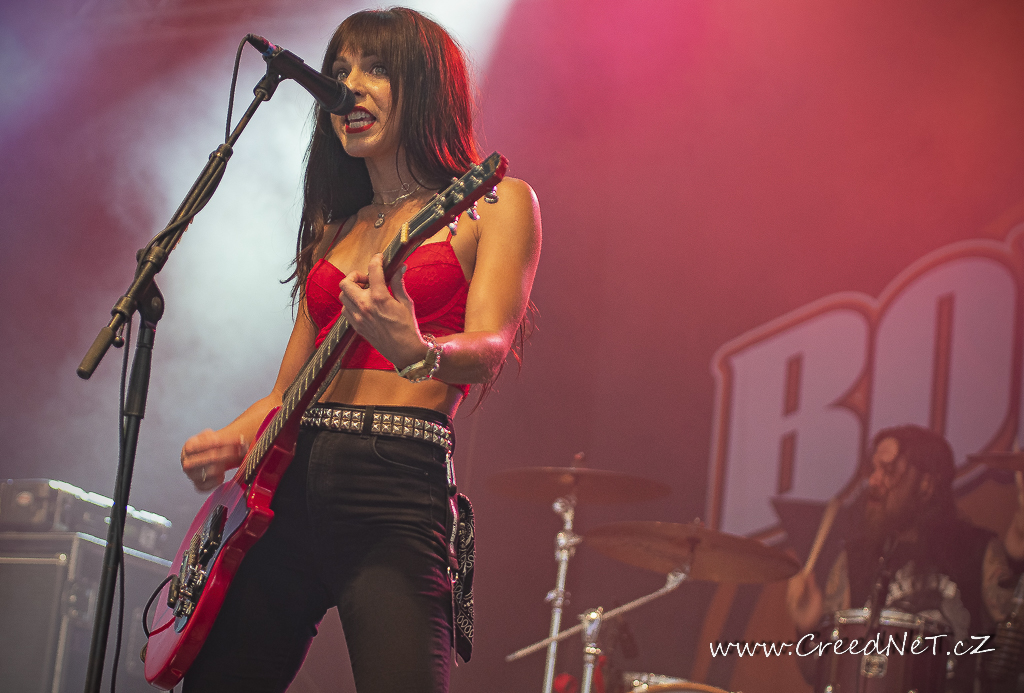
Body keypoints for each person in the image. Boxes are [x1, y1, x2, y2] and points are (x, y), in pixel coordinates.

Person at [176, 8, 541, 693]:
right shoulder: (333, 228)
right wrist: (232, 437)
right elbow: (286, 393)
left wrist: (418, 350)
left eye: (376, 68)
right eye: (340, 70)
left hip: (393, 485)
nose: (349, 86)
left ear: (427, 87)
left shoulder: (495, 203)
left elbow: (492, 345)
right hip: (288, 485)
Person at [786, 425, 1022, 692]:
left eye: (888, 471)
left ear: (926, 484)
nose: (873, 481)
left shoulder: (977, 550)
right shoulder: (855, 558)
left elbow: (1015, 652)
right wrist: (806, 627)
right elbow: (819, 671)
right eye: (873, 470)